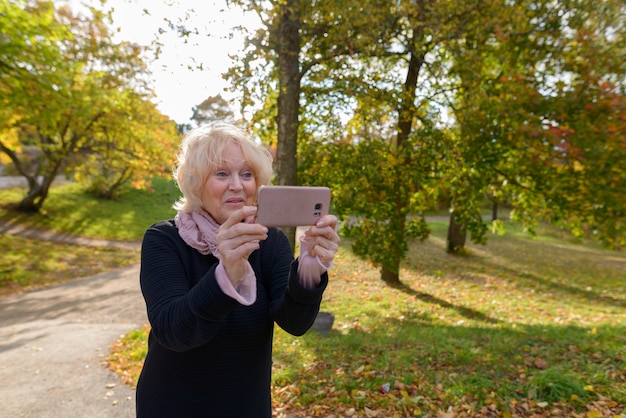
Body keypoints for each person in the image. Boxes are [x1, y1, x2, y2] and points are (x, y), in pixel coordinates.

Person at [136, 122, 340, 417]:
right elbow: (173, 331)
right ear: (195, 183)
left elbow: (294, 323)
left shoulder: (270, 242)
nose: (237, 185)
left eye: (247, 174)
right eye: (221, 173)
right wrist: (226, 274)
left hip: (245, 406)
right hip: (172, 404)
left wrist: (309, 270)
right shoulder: (164, 239)